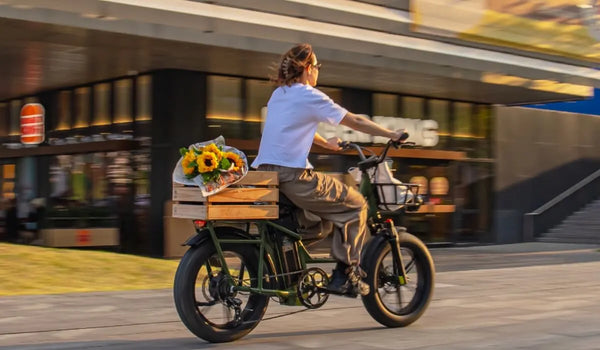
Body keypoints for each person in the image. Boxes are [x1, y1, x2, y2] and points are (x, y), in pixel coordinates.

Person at [251, 43, 406, 296]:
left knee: (322, 222)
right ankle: (344, 275)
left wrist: (328, 144)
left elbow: (290, 128)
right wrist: (392, 134)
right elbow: (354, 120)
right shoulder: (309, 95)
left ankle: (288, 256)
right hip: (293, 176)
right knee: (356, 205)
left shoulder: (280, 94)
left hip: (267, 174)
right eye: (318, 66)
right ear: (309, 68)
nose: (318, 72)